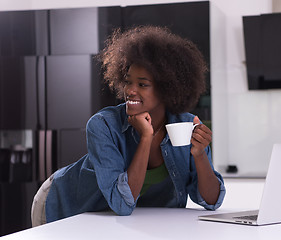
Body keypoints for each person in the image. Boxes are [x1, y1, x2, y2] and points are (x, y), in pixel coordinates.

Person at [31, 25, 226, 226]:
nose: (130, 91)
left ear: (167, 88)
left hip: (121, 224)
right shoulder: (103, 125)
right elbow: (122, 204)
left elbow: (212, 202)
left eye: (142, 84)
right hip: (63, 206)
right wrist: (146, 137)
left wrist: (200, 154)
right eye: (127, 81)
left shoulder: (186, 125)